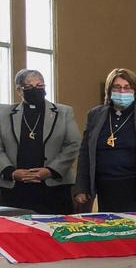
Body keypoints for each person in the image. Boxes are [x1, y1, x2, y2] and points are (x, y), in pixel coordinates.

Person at [74, 68, 136, 212]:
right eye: (117, 87)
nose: (122, 92)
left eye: (127, 87)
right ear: (109, 90)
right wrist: (81, 187)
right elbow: (85, 153)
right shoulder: (95, 115)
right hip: (105, 190)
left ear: (135, 91)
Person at [0, 69, 81, 214]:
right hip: (15, 188)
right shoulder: (4, 113)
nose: (36, 90)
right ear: (19, 90)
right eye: (30, 87)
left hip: (53, 187)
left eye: (40, 86)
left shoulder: (63, 112)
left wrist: (51, 170)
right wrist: (10, 172)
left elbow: (73, 144)